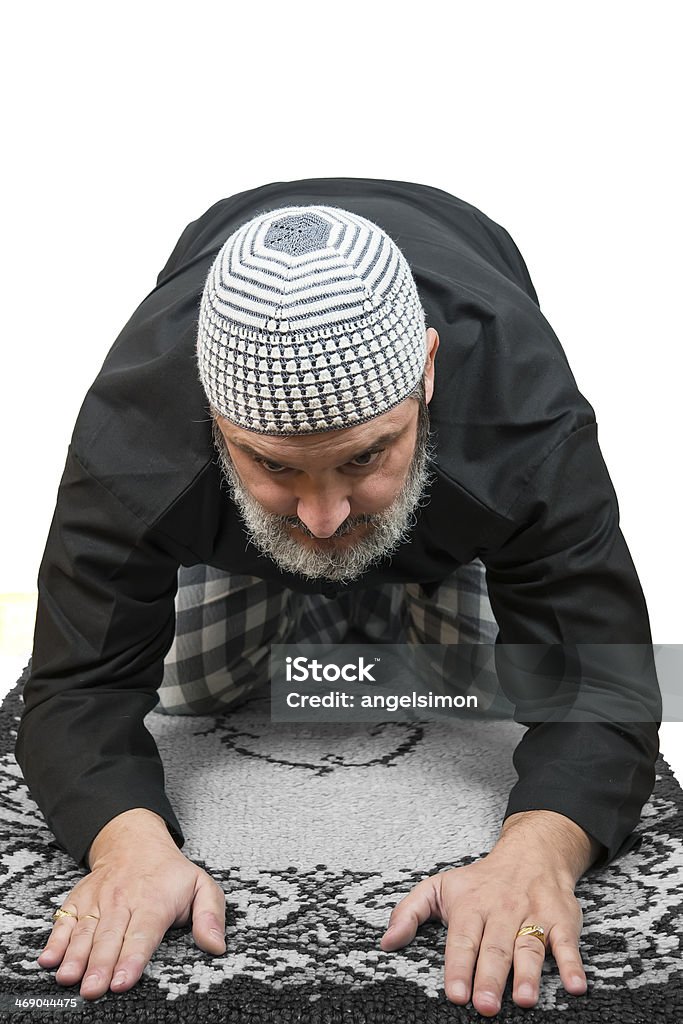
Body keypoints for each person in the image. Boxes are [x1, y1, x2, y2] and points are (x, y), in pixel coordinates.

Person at [15, 177, 661, 1016]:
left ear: (426, 375)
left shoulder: (523, 420)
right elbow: (76, 686)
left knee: (484, 683)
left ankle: (376, 579)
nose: (322, 518)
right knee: (193, 688)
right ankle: (323, 566)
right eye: (275, 464)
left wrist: (539, 848)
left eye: (364, 457)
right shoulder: (133, 441)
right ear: (211, 415)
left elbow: (602, 682)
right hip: (240, 544)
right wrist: (124, 841)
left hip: (445, 519)